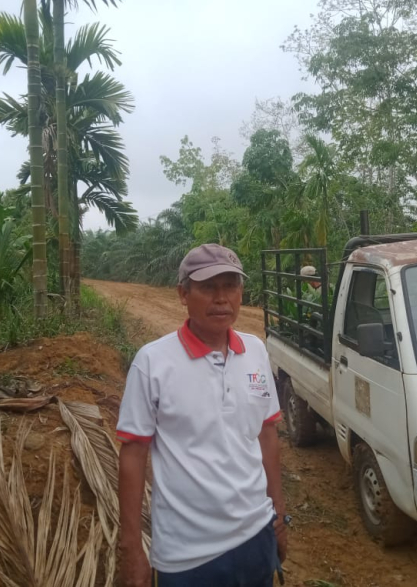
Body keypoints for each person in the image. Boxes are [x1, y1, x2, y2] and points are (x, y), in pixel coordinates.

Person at [116, 243, 288, 587]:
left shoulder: (255, 351)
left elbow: (267, 435)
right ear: (183, 293)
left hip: (256, 536)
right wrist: (132, 547)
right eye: (208, 287)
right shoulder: (153, 363)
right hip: (188, 557)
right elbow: (133, 455)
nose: (221, 298)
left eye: (231, 286)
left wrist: (279, 514)